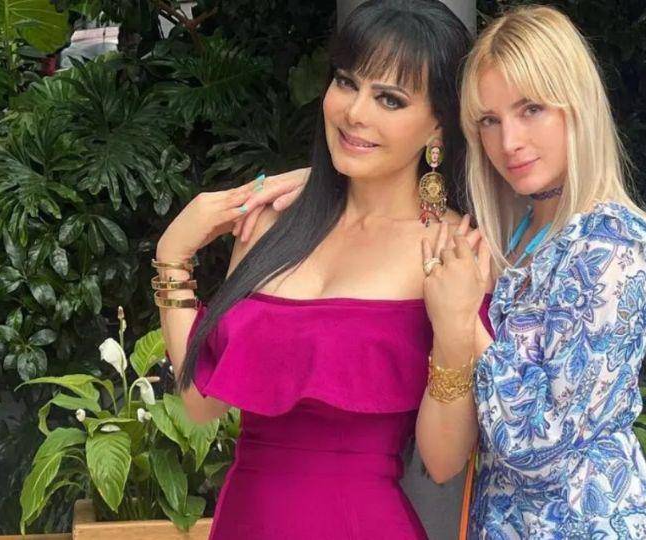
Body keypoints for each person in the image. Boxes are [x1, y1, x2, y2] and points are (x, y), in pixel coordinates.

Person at [153, 1, 477, 538]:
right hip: (245, 521)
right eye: (347, 83)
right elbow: (200, 403)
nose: (355, 112)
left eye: (390, 99)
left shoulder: (449, 249)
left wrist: (454, 335)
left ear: (438, 125)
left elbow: (443, 463)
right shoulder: (272, 224)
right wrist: (173, 259)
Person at [418, 6, 646, 539]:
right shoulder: (518, 236)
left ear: (577, 106)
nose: (509, 141)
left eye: (531, 109)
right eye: (489, 121)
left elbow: (540, 448)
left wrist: (466, 321)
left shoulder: (610, 247)